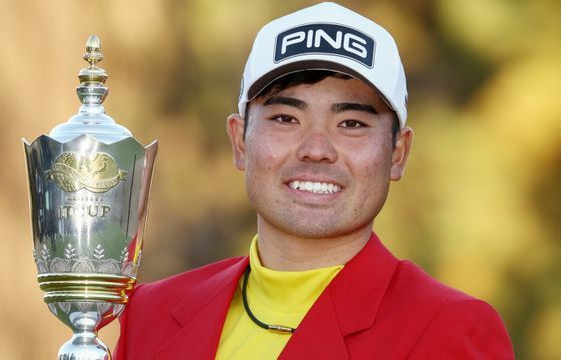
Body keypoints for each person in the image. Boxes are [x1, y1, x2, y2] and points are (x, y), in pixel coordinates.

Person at [114, 2, 514, 359]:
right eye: (286, 118)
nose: (316, 148)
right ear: (239, 141)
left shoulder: (450, 330)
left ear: (397, 153)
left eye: (351, 123)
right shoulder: (150, 314)